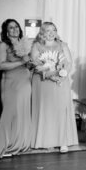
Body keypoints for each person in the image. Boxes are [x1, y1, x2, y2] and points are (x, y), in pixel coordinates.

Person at [30, 22, 78, 152]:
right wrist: (51, 75)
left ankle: (63, 141)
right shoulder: (36, 46)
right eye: (47, 30)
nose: (51, 33)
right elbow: (36, 64)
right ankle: (45, 140)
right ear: (42, 33)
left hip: (60, 81)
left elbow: (69, 63)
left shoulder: (62, 45)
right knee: (45, 110)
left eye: (53, 30)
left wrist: (62, 74)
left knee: (60, 110)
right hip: (43, 81)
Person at [0, 19, 32, 158]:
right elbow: (0, 65)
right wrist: (21, 61)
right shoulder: (3, 45)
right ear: (6, 31)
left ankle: (20, 144)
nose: (14, 29)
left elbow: (27, 65)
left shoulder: (24, 44)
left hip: (25, 81)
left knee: (23, 112)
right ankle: (4, 146)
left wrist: (31, 63)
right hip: (11, 82)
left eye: (16, 27)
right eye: (11, 27)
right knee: (9, 113)